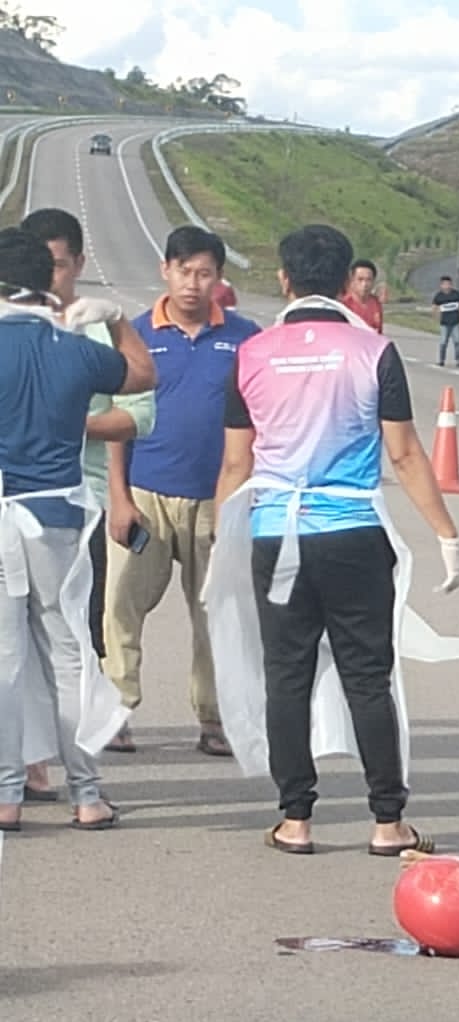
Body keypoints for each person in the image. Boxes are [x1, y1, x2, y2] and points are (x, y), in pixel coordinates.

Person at [210, 223, 459, 857]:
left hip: (277, 533)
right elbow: (404, 453)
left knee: (286, 675)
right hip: (352, 531)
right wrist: (446, 533)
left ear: (284, 279)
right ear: (348, 280)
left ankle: (295, 819)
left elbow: (237, 462)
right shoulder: (373, 351)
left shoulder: (253, 353)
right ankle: (388, 821)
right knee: (367, 676)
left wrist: (221, 540)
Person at [0, 227, 156, 834]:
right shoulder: (73, 349)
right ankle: (86, 793)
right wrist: (116, 319)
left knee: (6, 659)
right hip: (57, 517)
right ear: (48, 283)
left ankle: (7, 794)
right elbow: (142, 375)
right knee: (69, 656)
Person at [101, 226, 260, 756]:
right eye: (184, 271)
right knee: (121, 604)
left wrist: (245, 499)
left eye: (204, 273)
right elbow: (115, 421)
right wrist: (119, 498)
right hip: (145, 496)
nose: (193, 283)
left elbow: (261, 420)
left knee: (216, 612)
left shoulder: (244, 339)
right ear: (165, 271)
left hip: (217, 499)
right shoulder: (136, 335)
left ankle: (214, 717)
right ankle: (116, 710)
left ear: (219, 279)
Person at [341, 258, 383, 332]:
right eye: (360, 279)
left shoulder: (376, 303)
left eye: (368, 280)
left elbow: (379, 331)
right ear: (352, 280)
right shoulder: (344, 304)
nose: (364, 284)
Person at [431, 275, 459, 367]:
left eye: (448, 284)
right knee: (443, 342)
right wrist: (436, 317)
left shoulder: (456, 294)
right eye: (445, 284)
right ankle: (441, 360)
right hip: (444, 323)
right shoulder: (439, 296)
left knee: (457, 341)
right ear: (441, 285)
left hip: (455, 322)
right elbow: (434, 308)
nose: (447, 286)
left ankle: (458, 360)